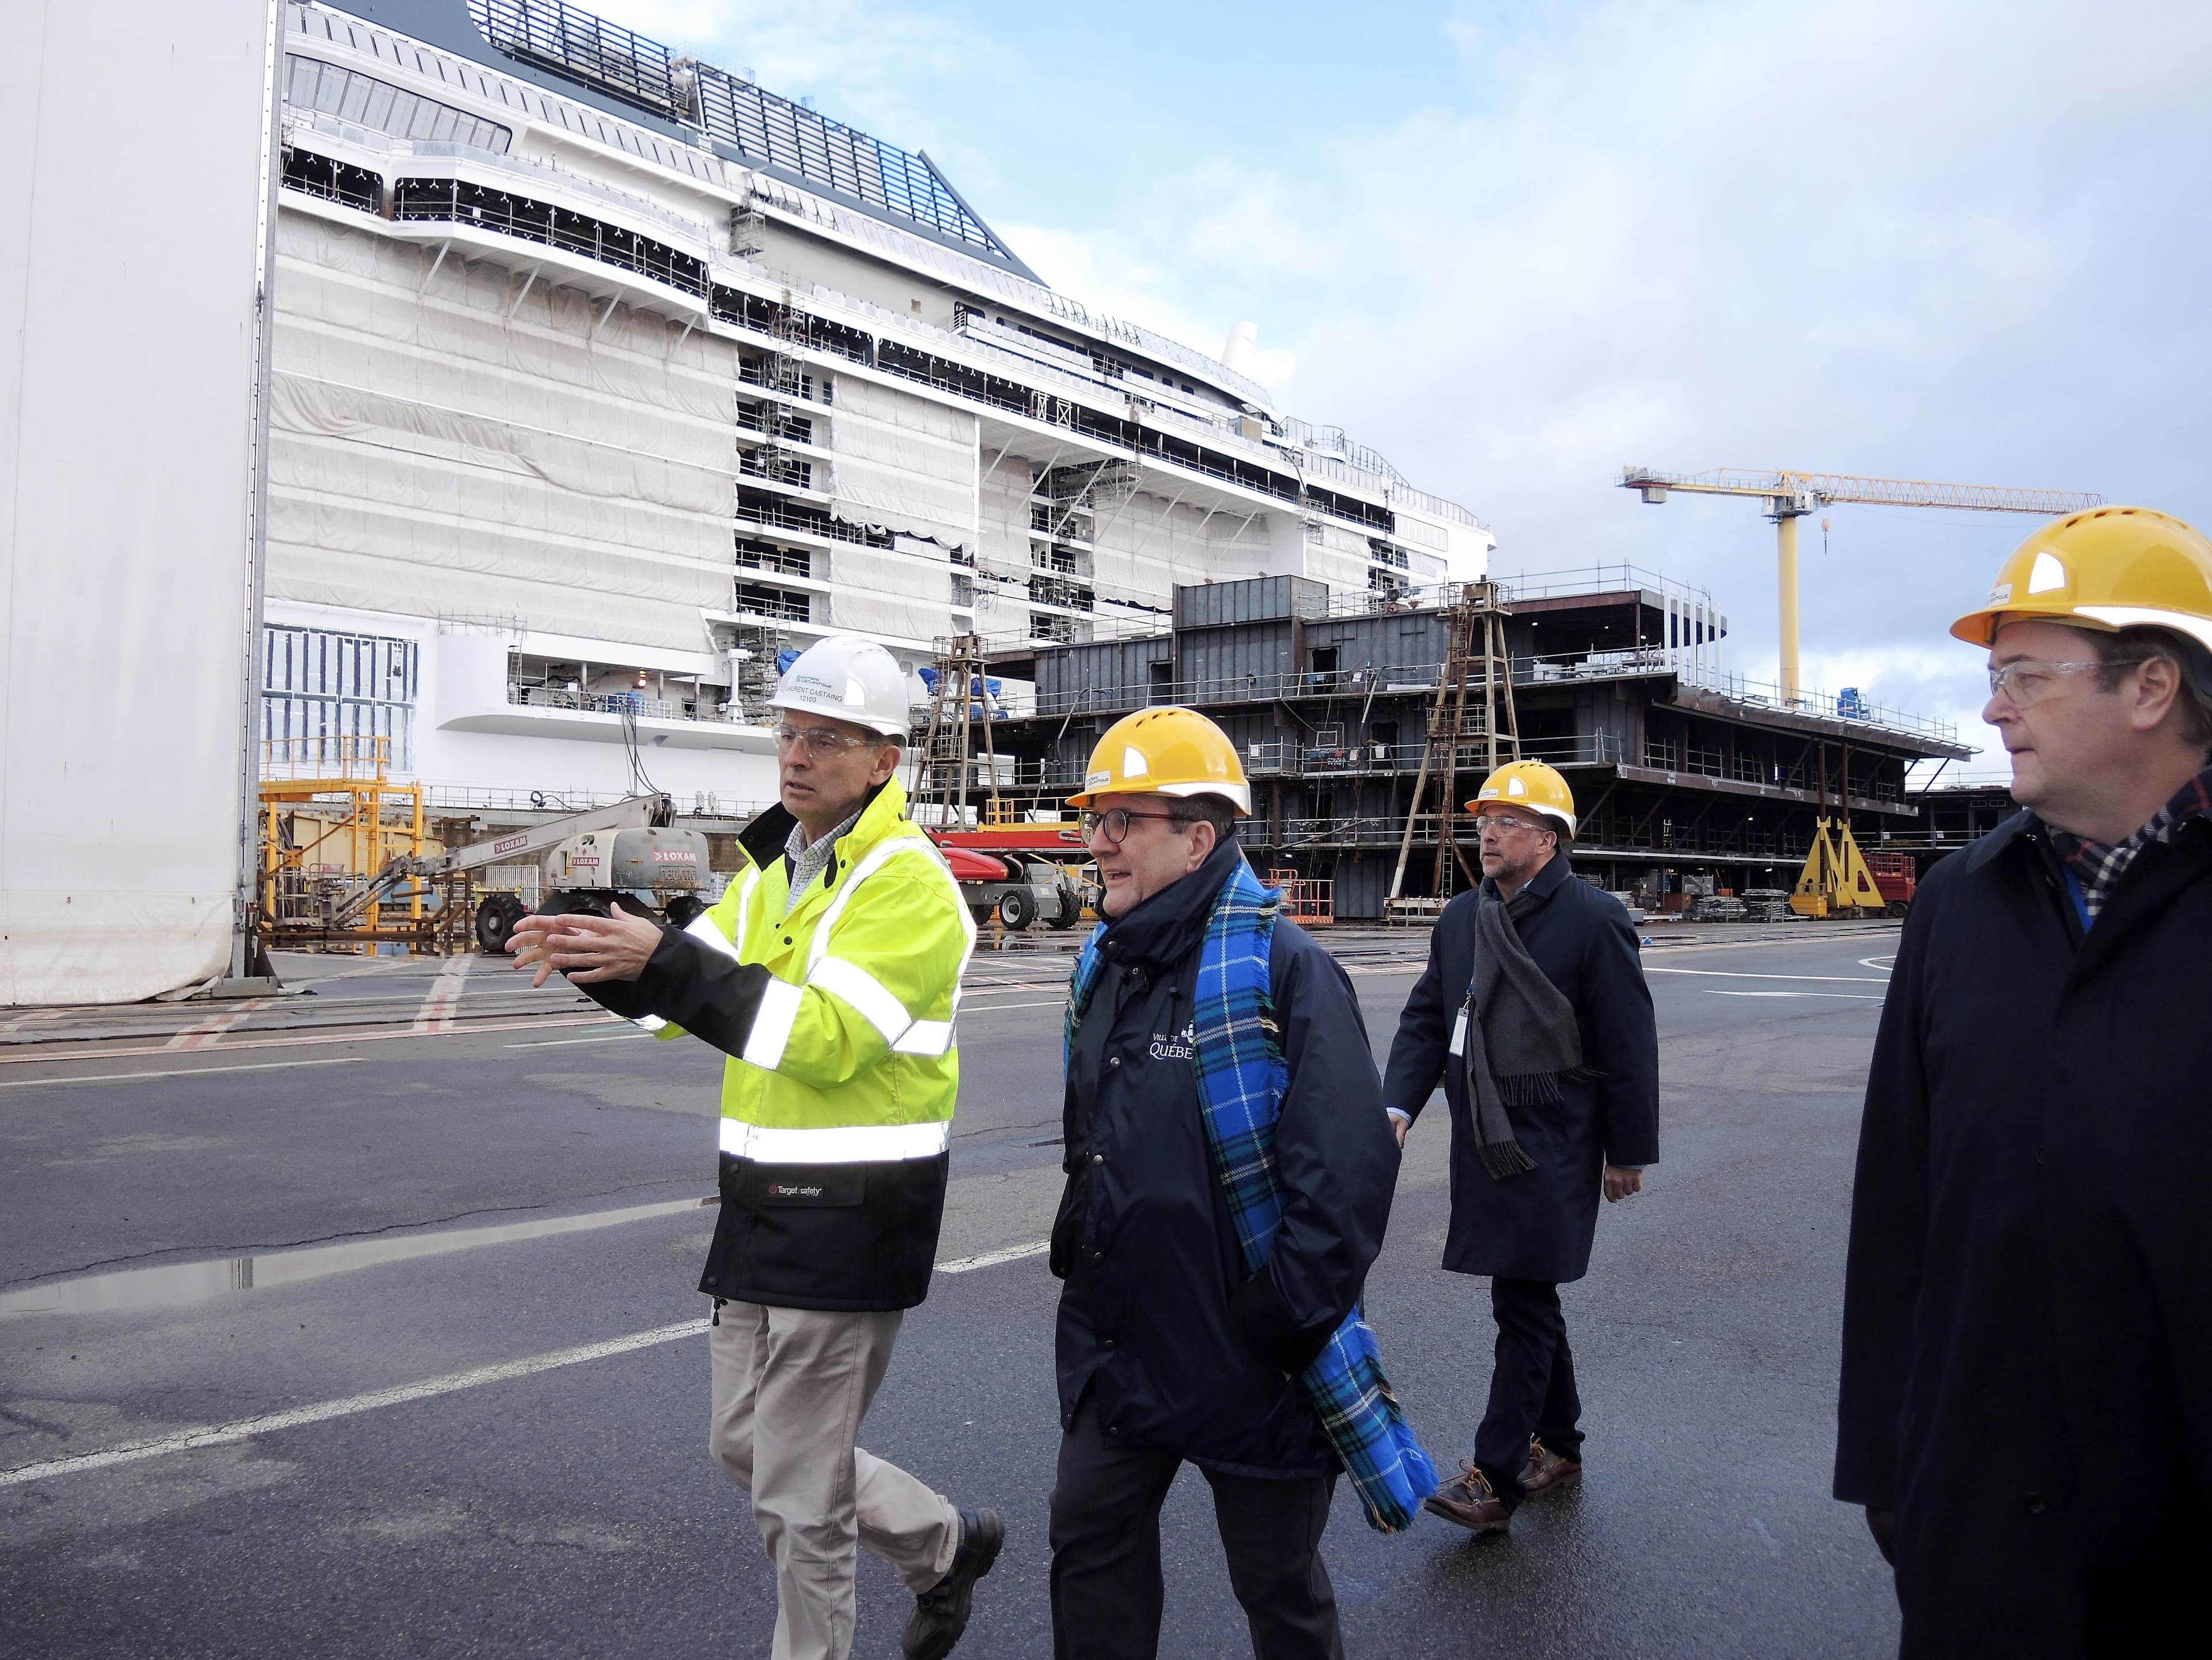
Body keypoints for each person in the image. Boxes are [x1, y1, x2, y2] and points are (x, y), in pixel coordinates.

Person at [508, 636, 1001, 1660]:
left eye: (828, 737)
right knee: (748, 1442)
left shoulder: (907, 886)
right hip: (762, 1203)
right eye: (788, 732)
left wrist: (668, 962)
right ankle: (942, 1544)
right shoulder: (779, 873)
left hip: (856, 1214)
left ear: (884, 762)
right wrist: (598, 950)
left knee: (797, 1488)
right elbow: (682, 1002)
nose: (798, 753)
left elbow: (822, 1038)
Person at [1835, 506, 2212, 1658]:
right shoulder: (1956, 902)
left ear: (2150, 688)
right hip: (1980, 1521)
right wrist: (1890, 1465)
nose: (1993, 707)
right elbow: (1898, 1203)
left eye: (2024, 676)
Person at [1047, 706, 1430, 1660]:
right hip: (1124, 1347)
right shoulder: (1106, 963)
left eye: (1123, 820)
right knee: (1087, 1544)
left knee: (1279, 1592)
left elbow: (1345, 1178)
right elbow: (1089, 1136)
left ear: (1199, 837)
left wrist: (1277, 1321)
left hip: (1253, 1364)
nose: (1100, 842)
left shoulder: (1284, 967)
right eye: (1096, 818)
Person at [1381, 759, 1660, 1533]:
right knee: (1527, 1292)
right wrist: (1397, 1105)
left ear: (1547, 837)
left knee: (1523, 1298)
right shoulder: (1462, 917)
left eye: (1504, 822)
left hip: (1558, 1141)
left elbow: (1630, 1044)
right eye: (1484, 821)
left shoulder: (1595, 918)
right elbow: (1427, 1018)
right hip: (1487, 1139)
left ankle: (1494, 1476)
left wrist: (1627, 1150)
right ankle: (1562, 1443)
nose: (1488, 833)